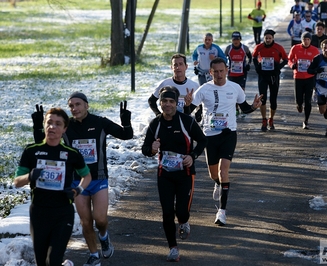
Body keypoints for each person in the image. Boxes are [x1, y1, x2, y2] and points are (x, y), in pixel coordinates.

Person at [31, 92, 134, 266]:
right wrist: (37, 125)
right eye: (71, 106)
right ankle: (94, 256)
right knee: (86, 222)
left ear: (86, 105)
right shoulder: (66, 126)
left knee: (100, 219)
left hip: (98, 178)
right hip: (76, 181)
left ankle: (104, 236)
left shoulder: (100, 122)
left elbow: (126, 135)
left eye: (78, 104)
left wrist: (125, 121)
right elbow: (44, 142)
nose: (74, 108)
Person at [184, 57, 263, 226]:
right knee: (214, 175)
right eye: (216, 72)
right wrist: (187, 104)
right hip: (209, 136)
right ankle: (218, 185)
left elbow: (245, 108)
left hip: (228, 134)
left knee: (223, 172)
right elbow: (188, 112)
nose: (219, 75)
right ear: (210, 72)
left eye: (222, 71)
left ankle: (222, 212)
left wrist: (254, 107)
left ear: (227, 70)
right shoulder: (204, 89)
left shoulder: (235, 88)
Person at [15, 107, 92, 266]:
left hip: (63, 212)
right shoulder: (32, 151)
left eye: (58, 124)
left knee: (54, 260)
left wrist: (78, 190)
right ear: (44, 125)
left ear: (64, 129)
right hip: (39, 212)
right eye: (49, 123)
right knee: (42, 262)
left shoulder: (71, 153)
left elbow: (87, 176)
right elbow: (17, 182)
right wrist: (29, 176)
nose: (53, 127)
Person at [142, 86, 207, 262]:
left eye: (171, 101)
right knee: (167, 212)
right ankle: (173, 248)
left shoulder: (187, 121)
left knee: (181, 211)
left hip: (185, 173)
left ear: (176, 103)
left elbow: (202, 140)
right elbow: (145, 148)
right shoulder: (155, 124)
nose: (168, 105)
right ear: (160, 103)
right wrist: (152, 150)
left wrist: (192, 156)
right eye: (164, 101)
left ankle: (184, 221)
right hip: (165, 174)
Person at [252, 29, 288, 132]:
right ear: (264, 38)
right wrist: (256, 67)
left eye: (270, 38)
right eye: (266, 38)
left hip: (273, 76)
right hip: (263, 75)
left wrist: (279, 67)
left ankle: (271, 119)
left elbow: (286, 59)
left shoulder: (278, 47)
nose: (268, 40)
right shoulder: (259, 47)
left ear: (273, 38)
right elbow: (254, 57)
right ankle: (264, 119)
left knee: (273, 100)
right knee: (262, 99)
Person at [148, 53, 201, 121]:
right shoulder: (165, 84)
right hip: (168, 119)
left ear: (186, 66)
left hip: (186, 120)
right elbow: (151, 100)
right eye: (175, 65)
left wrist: (198, 114)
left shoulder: (194, 86)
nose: (178, 67)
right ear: (171, 67)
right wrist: (158, 114)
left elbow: (201, 104)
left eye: (181, 64)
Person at [288, 32, 320, 129]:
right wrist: (291, 65)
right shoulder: (295, 48)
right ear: (301, 40)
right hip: (298, 77)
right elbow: (289, 59)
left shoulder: (314, 50)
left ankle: (306, 121)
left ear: (310, 40)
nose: (306, 42)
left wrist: (316, 70)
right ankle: (299, 104)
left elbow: (318, 62)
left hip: (309, 78)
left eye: (308, 40)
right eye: (304, 40)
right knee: (299, 100)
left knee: (308, 101)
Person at [224, 31, 252, 116]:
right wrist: (225, 67)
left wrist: (248, 64)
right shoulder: (228, 48)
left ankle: (242, 108)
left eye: (237, 39)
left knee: (241, 91)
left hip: (242, 73)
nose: (236, 41)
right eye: (234, 39)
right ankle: (235, 108)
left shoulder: (245, 48)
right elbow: (223, 58)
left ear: (240, 39)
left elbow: (250, 57)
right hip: (231, 74)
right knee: (232, 92)